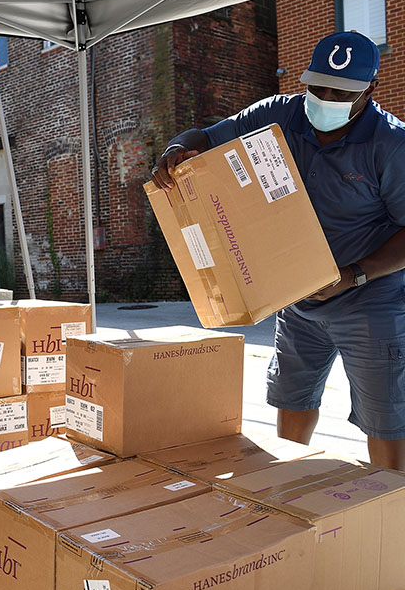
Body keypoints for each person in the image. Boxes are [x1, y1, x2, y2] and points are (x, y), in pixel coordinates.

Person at [151, 31, 405, 472]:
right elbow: (206, 137)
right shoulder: (282, 114)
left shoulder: (393, 145)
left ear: (371, 88)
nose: (324, 98)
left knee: (385, 418)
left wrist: (354, 275)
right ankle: (290, 484)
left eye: (340, 92)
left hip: (371, 301)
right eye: (316, 86)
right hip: (297, 293)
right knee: (292, 396)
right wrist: (176, 148)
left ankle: (387, 508)